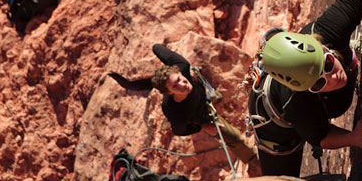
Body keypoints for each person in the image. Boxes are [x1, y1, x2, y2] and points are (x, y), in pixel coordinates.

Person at [246, 0, 362, 177]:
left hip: (306, 103)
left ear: (323, 48)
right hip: (275, 129)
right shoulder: (297, 101)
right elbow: (321, 137)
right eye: (318, 84)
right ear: (307, 89)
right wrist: (354, 138)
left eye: (327, 64)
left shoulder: (324, 32)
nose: (333, 78)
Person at [109, 44, 257, 163]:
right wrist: (203, 127)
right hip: (202, 116)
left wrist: (159, 50)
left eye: (179, 79)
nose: (182, 84)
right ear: (169, 93)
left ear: (179, 72)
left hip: (201, 96)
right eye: (175, 86)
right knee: (236, 138)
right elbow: (179, 131)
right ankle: (254, 159)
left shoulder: (182, 66)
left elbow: (157, 47)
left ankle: (208, 94)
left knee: (196, 83)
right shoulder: (175, 111)